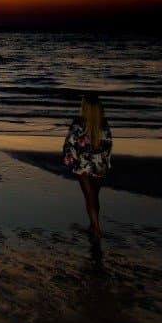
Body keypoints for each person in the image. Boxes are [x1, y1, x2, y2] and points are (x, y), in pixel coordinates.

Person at [62, 93, 113, 237]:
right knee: (95, 196)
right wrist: (106, 162)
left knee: (89, 197)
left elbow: (69, 143)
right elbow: (109, 144)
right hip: (99, 165)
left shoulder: (78, 122)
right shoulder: (103, 123)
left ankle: (96, 228)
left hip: (83, 165)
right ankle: (93, 225)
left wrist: (69, 160)